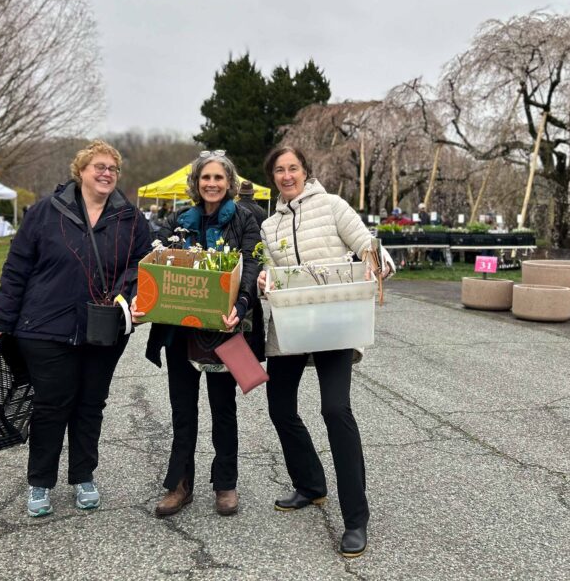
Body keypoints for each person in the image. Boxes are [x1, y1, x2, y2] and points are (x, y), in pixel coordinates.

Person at [0, 141, 151, 517]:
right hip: (45, 327)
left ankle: (83, 477)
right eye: (99, 166)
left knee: (90, 404)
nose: (107, 173)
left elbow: (143, 267)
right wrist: (2, 319)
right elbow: (17, 267)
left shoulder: (130, 218)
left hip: (105, 329)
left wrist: (129, 299)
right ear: (81, 171)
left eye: (113, 168)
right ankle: (40, 482)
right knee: (51, 406)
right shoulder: (47, 212)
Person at [257, 145, 394, 559]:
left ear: (305, 171)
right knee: (280, 407)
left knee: (335, 410)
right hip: (291, 325)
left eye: (292, 168)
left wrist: (378, 262)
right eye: (279, 170)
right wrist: (265, 280)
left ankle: (356, 519)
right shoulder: (268, 225)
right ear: (273, 177)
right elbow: (269, 271)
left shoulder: (333, 206)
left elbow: (369, 246)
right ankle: (311, 485)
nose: (286, 176)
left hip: (335, 322)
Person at [138, 150, 263, 518]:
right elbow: (158, 261)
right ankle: (180, 484)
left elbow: (252, 265)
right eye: (205, 178)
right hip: (181, 330)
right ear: (196, 183)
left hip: (224, 331)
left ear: (229, 183)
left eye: (218, 178)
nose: (211, 184)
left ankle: (225, 483)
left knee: (223, 409)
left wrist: (240, 305)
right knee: (182, 409)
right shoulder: (178, 220)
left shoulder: (243, 218)